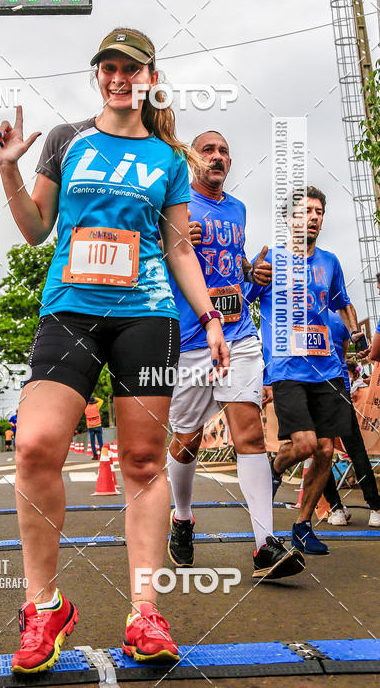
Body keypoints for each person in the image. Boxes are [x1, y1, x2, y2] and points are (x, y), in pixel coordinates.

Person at [0, 27, 229, 674]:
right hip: (70, 310)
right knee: (35, 445)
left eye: (132, 68)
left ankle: (145, 611)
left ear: (151, 78)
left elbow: (178, 247)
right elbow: (36, 229)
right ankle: (45, 607)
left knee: (145, 461)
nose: (120, 78)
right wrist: (9, 169)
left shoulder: (169, 158)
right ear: (98, 74)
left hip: (147, 316)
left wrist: (209, 317)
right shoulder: (66, 140)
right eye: (109, 67)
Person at [166, 131, 304, 581]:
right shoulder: (175, 203)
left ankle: (265, 544)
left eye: (224, 151)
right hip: (191, 340)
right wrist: (175, 240)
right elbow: (155, 260)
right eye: (208, 150)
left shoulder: (238, 209)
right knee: (186, 440)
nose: (218, 157)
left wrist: (254, 274)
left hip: (239, 333)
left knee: (250, 434)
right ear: (193, 159)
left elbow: (235, 266)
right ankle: (182, 517)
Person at [249, 187, 365, 555]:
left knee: (326, 450)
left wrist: (357, 333)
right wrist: (251, 277)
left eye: (318, 212)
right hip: (287, 369)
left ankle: (302, 526)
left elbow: (343, 303)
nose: (313, 217)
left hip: (327, 369)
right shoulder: (271, 260)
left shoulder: (330, 262)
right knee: (305, 444)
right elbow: (243, 300)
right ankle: (274, 468)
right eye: (305, 211)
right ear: (289, 219)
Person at [321, 317, 380, 527]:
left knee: (322, 452)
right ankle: (375, 508)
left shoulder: (301, 316)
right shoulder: (338, 320)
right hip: (340, 387)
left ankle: (336, 508)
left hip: (315, 388)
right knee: (356, 450)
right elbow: (344, 355)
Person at [85, 395, 104, 460]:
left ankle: (95, 456)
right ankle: (102, 455)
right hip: (98, 426)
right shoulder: (96, 406)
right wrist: (95, 398)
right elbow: (101, 401)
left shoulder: (86, 408)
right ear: (93, 401)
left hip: (90, 427)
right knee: (100, 441)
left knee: (92, 442)